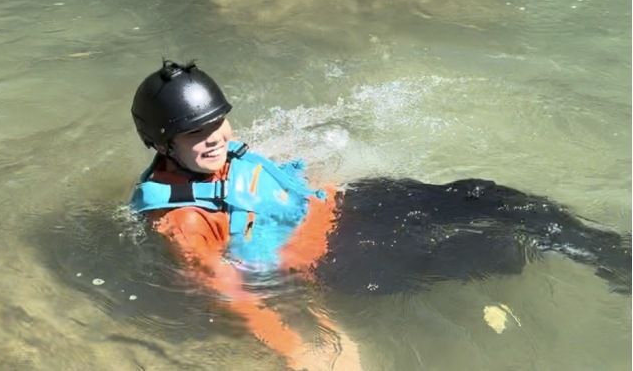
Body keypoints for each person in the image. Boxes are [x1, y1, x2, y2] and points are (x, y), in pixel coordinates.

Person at [129, 60, 631, 370]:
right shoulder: (182, 220)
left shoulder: (215, 155)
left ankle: (612, 254)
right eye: (197, 132)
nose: (215, 136)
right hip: (344, 256)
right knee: (497, 248)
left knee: (492, 197)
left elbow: (274, 176)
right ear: (163, 143)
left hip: (352, 202)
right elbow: (236, 291)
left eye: (217, 122)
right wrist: (310, 346)